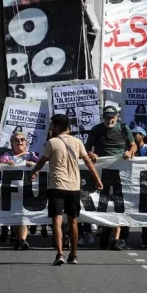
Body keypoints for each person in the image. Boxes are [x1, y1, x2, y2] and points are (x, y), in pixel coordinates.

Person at [31, 114, 103, 266]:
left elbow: (42, 161)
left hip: (56, 185)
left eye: (52, 125)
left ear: (57, 126)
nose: (51, 128)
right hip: (73, 186)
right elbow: (88, 162)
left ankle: (59, 254)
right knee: (73, 220)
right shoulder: (77, 142)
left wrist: (34, 171)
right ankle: (74, 254)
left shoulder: (52, 142)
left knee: (57, 219)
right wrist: (97, 179)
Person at [85, 105, 136, 250]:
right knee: (105, 202)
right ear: (103, 118)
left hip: (122, 172)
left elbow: (133, 145)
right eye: (107, 118)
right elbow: (86, 149)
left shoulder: (124, 128)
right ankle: (106, 231)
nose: (110, 120)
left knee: (121, 202)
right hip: (104, 172)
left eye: (112, 117)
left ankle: (118, 237)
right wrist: (91, 154)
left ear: (117, 117)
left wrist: (129, 152)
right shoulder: (96, 130)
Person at [0, 131, 39, 250]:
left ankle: (22, 239)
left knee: (24, 215)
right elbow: (0, 162)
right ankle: (18, 238)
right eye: (16, 140)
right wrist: (6, 163)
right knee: (15, 216)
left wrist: (33, 164)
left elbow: (42, 163)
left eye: (22, 140)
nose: (19, 142)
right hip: (12, 191)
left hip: (27, 190)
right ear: (12, 144)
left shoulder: (30, 155)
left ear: (26, 143)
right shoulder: (7, 155)